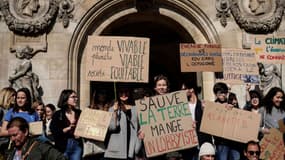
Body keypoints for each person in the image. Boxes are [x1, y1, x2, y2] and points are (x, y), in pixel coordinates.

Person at [104, 86, 142, 160]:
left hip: (132, 149)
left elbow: (139, 127)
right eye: (121, 92)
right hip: (117, 151)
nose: (124, 94)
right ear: (118, 94)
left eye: (126, 91)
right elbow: (112, 128)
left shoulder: (136, 108)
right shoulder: (112, 109)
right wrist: (115, 112)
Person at [180, 80, 212, 160]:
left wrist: (206, 110)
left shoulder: (202, 104)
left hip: (201, 140)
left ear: (191, 89)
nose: (182, 92)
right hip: (188, 142)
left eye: (184, 89)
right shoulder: (181, 106)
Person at [50, 89, 83, 160]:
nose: (76, 99)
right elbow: (54, 130)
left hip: (76, 145)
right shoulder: (58, 114)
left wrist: (80, 134)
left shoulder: (79, 113)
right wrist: (67, 129)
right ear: (66, 98)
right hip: (63, 146)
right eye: (73, 97)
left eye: (76, 97)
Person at [212, 82, 240, 160]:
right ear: (216, 94)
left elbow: (240, 116)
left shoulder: (231, 102)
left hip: (234, 141)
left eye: (225, 93)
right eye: (221, 93)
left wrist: (233, 109)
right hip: (221, 142)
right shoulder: (212, 107)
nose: (223, 95)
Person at [83, 89, 112, 160]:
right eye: (101, 93)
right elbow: (84, 126)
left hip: (108, 141)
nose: (103, 95)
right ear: (96, 95)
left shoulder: (110, 108)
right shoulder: (90, 108)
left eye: (105, 93)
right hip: (94, 143)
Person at [0, 87, 16, 160]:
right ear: (6, 96)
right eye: (13, 95)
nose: (15, 97)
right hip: (2, 144)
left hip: (11, 144)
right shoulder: (1, 110)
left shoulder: (12, 110)